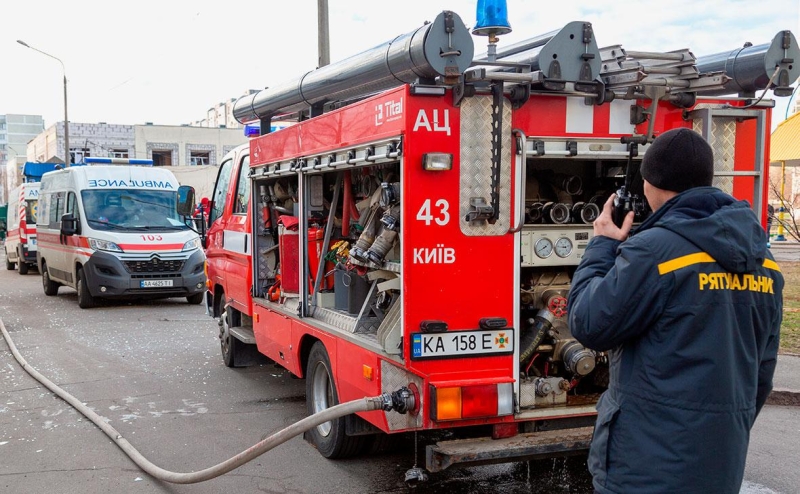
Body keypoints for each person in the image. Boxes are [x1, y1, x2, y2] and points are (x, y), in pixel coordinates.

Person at [567, 128, 783, 494]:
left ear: (651, 183)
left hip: (646, 467)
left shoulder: (654, 253)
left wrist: (602, 245)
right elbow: (761, 373)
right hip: (719, 465)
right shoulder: (766, 262)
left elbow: (588, 322)